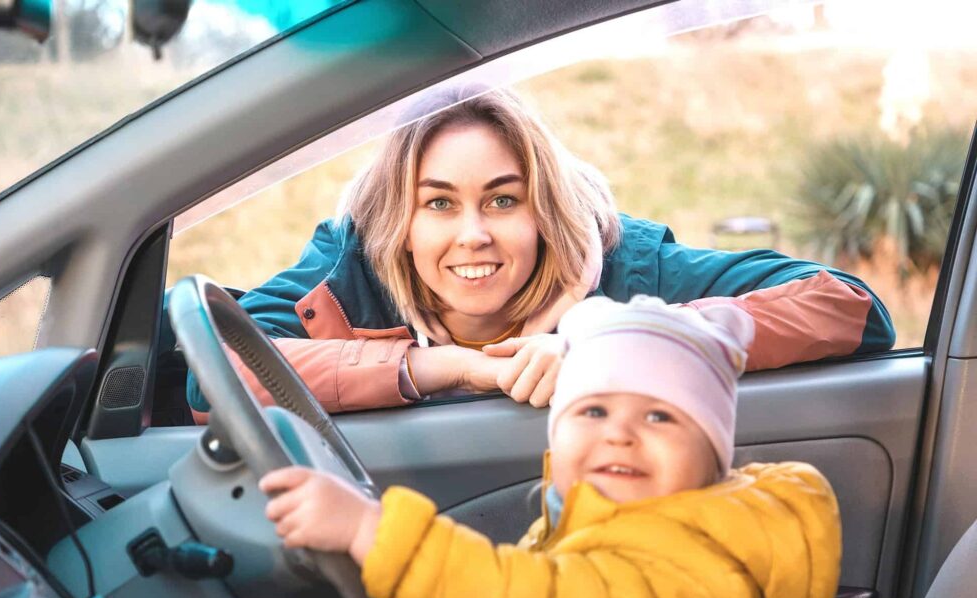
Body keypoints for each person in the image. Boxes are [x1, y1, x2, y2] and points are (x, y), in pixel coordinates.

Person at [187, 85, 894, 416]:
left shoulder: (623, 265)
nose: (473, 234)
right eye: (439, 203)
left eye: (503, 199)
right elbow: (211, 374)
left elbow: (848, 308)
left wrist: (602, 342)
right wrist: (444, 368)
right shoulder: (351, 268)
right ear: (400, 220)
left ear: (545, 210)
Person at [259, 295, 841, 598]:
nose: (620, 434)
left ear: (714, 455)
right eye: (591, 411)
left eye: (660, 418)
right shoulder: (589, 520)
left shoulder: (698, 572)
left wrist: (369, 529)